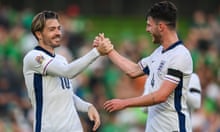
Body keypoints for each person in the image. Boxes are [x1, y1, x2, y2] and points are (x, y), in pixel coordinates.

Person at [95, 1, 193, 132]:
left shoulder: (180, 55)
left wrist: (125, 103)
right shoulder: (158, 52)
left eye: (149, 25)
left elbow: (161, 96)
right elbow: (133, 70)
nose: (147, 29)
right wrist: (109, 51)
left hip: (173, 128)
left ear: (161, 27)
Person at [23, 10, 113, 132]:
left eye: (59, 28)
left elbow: (68, 95)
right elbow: (68, 72)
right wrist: (96, 52)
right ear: (39, 34)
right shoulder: (33, 57)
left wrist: (87, 107)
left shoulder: (61, 58)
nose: (58, 33)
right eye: (52, 29)